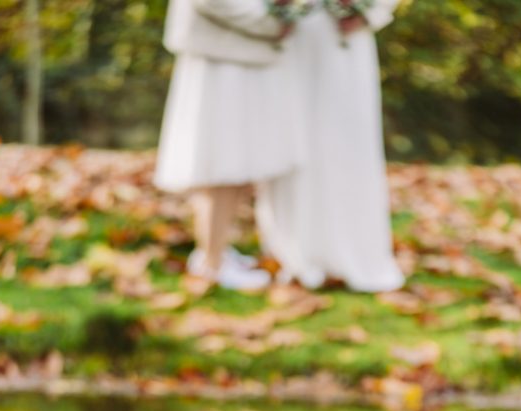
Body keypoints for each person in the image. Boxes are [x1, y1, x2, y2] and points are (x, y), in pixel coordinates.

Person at [256, 0, 405, 292]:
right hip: (293, 35)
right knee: (292, 136)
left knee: (346, 141)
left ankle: (353, 248)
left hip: (344, 40)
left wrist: (369, 12)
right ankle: (289, 248)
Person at [155, 0, 303, 290]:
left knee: (236, 160)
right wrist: (272, 20)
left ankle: (216, 252)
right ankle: (212, 263)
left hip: (240, 55)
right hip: (221, 59)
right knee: (220, 161)